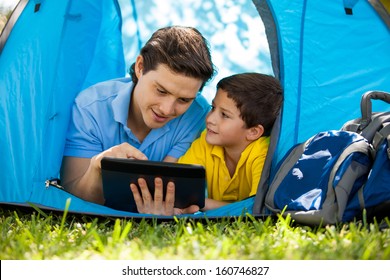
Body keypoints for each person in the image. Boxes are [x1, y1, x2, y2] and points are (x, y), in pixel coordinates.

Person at [60, 26, 215, 207]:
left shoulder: (197, 114)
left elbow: (172, 191)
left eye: (184, 99)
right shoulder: (90, 108)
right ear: (140, 67)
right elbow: (71, 197)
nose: (167, 109)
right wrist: (97, 168)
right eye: (161, 91)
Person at [131, 72, 283, 214]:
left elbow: (258, 208)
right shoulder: (206, 141)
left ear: (253, 132)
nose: (210, 119)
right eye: (213, 108)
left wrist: (201, 203)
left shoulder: (262, 153)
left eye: (224, 115)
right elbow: (177, 186)